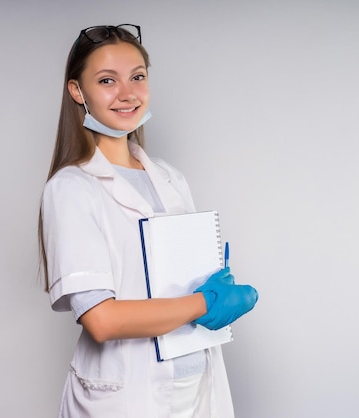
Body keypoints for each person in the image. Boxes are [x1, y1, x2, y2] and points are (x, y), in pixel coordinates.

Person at [38, 24, 259, 418]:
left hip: (196, 386)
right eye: (107, 80)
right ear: (77, 91)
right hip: (126, 397)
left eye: (137, 77)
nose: (127, 93)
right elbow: (101, 320)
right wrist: (204, 302)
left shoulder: (170, 178)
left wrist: (214, 285)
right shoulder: (72, 188)